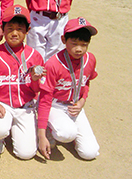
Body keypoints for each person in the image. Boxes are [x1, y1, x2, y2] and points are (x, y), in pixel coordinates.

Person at [0, 5, 45, 158]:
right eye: (10, 28)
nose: (14, 33)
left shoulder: (35, 56)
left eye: (20, 29)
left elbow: (37, 90)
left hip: (25, 107)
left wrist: (34, 80)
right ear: (3, 29)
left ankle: (15, 128)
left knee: (26, 154)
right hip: (1, 104)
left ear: (27, 30)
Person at [37, 17, 100, 160]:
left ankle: (66, 126)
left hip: (75, 106)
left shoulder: (90, 59)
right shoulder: (53, 64)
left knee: (90, 153)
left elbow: (87, 83)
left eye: (84, 44)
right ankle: (46, 128)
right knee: (66, 133)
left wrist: (82, 101)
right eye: (74, 43)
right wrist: (41, 136)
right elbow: (45, 100)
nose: (79, 49)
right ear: (64, 40)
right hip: (55, 105)